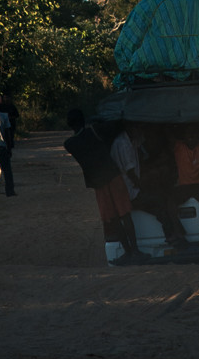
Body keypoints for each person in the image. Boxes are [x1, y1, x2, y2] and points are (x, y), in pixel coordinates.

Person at [63, 109, 147, 264]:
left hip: (98, 184)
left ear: (69, 124)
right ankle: (135, 251)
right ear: (84, 120)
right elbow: (117, 124)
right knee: (125, 214)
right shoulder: (96, 131)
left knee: (112, 218)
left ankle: (128, 252)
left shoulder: (69, 144)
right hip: (113, 177)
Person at [111, 123, 189, 249]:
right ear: (132, 128)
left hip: (131, 189)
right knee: (160, 201)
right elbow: (131, 173)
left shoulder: (131, 140)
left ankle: (173, 235)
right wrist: (143, 186)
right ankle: (174, 234)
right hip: (129, 192)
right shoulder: (123, 144)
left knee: (160, 204)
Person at [172, 123, 199, 238]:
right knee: (169, 201)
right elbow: (167, 133)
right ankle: (177, 230)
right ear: (184, 137)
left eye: (194, 134)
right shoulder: (179, 147)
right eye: (188, 134)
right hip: (184, 187)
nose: (191, 136)